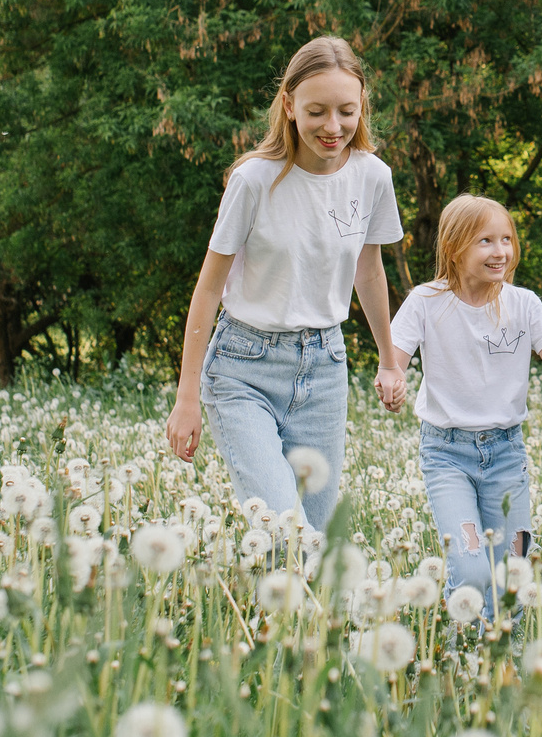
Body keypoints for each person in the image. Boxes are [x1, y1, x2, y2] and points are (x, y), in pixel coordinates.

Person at [164, 36, 408, 535]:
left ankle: (281, 615)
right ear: (289, 106)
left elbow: (369, 271)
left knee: (312, 541)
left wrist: (388, 358)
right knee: (284, 529)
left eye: (346, 111)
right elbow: (209, 288)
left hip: (324, 367)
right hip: (242, 368)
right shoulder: (254, 180)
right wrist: (187, 394)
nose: (333, 126)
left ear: (362, 107)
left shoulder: (373, 178)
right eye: (317, 111)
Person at [391, 195, 542, 617]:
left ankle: (502, 664)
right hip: (446, 455)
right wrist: (391, 380)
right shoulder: (425, 302)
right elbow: (394, 362)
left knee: (512, 573)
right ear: (454, 247)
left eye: (506, 239)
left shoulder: (524, 304)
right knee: (470, 568)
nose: (501, 250)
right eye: (486, 240)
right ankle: (463, 656)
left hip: (507, 455)